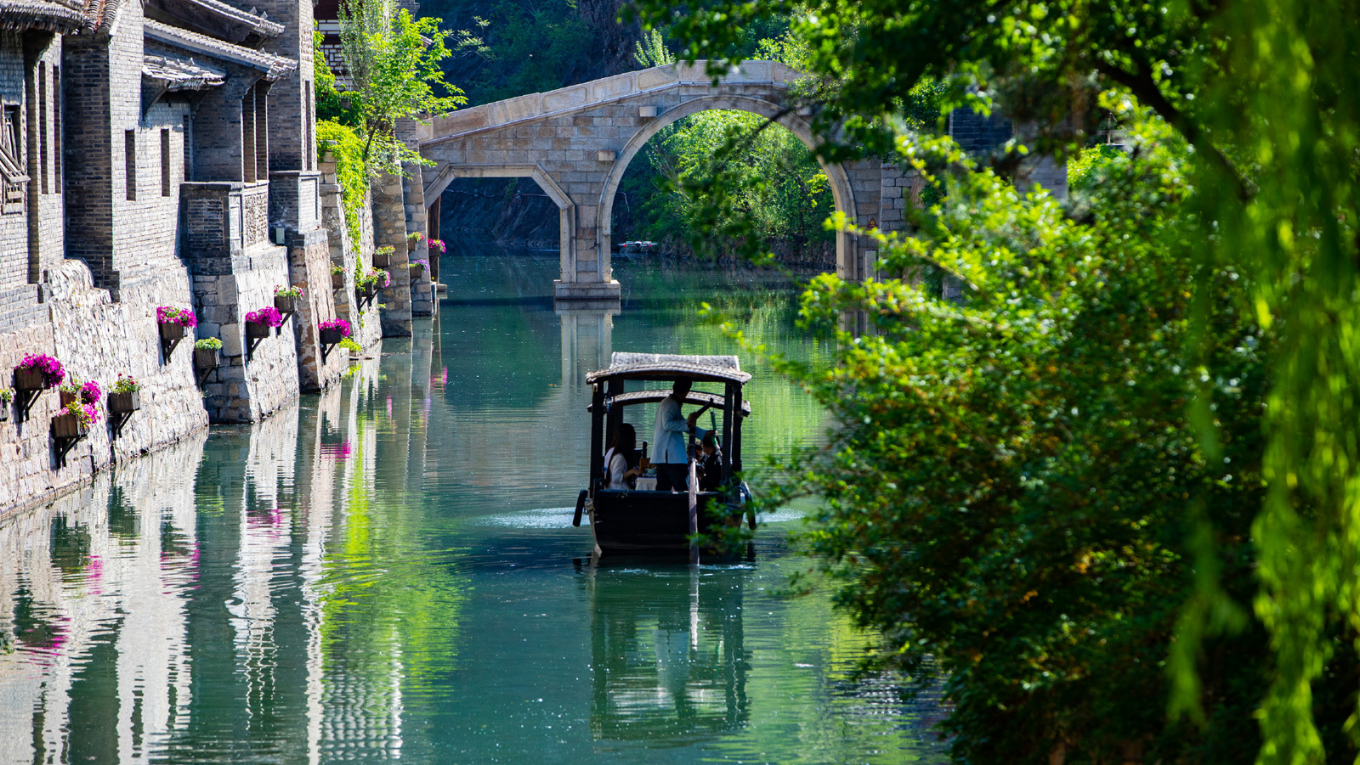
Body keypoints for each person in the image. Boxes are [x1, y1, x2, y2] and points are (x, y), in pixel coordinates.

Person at [652, 379, 708, 492]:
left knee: (663, 490)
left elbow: (683, 424)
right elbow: (667, 424)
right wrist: (689, 422)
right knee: (682, 489)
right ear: (687, 392)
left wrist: (703, 433)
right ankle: (685, 509)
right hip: (672, 457)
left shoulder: (668, 402)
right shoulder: (671, 403)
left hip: (665, 457)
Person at [603, 423, 642, 489]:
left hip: (610, 488)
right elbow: (615, 478)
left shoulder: (611, 451)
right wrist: (632, 471)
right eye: (634, 438)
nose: (635, 441)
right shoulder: (619, 457)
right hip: (619, 492)